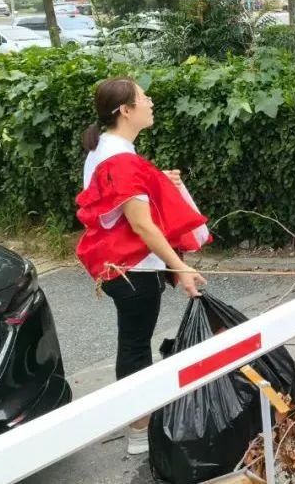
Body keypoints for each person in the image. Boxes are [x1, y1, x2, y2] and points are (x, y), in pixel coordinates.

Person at [75, 77, 210, 455]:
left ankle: (140, 419)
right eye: (143, 97)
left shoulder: (103, 150)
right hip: (133, 268)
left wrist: (157, 182)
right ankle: (139, 430)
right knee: (135, 347)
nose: (150, 101)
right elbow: (140, 223)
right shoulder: (120, 160)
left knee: (134, 343)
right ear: (126, 111)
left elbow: (114, 203)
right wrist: (179, 268)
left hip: (119, 266)